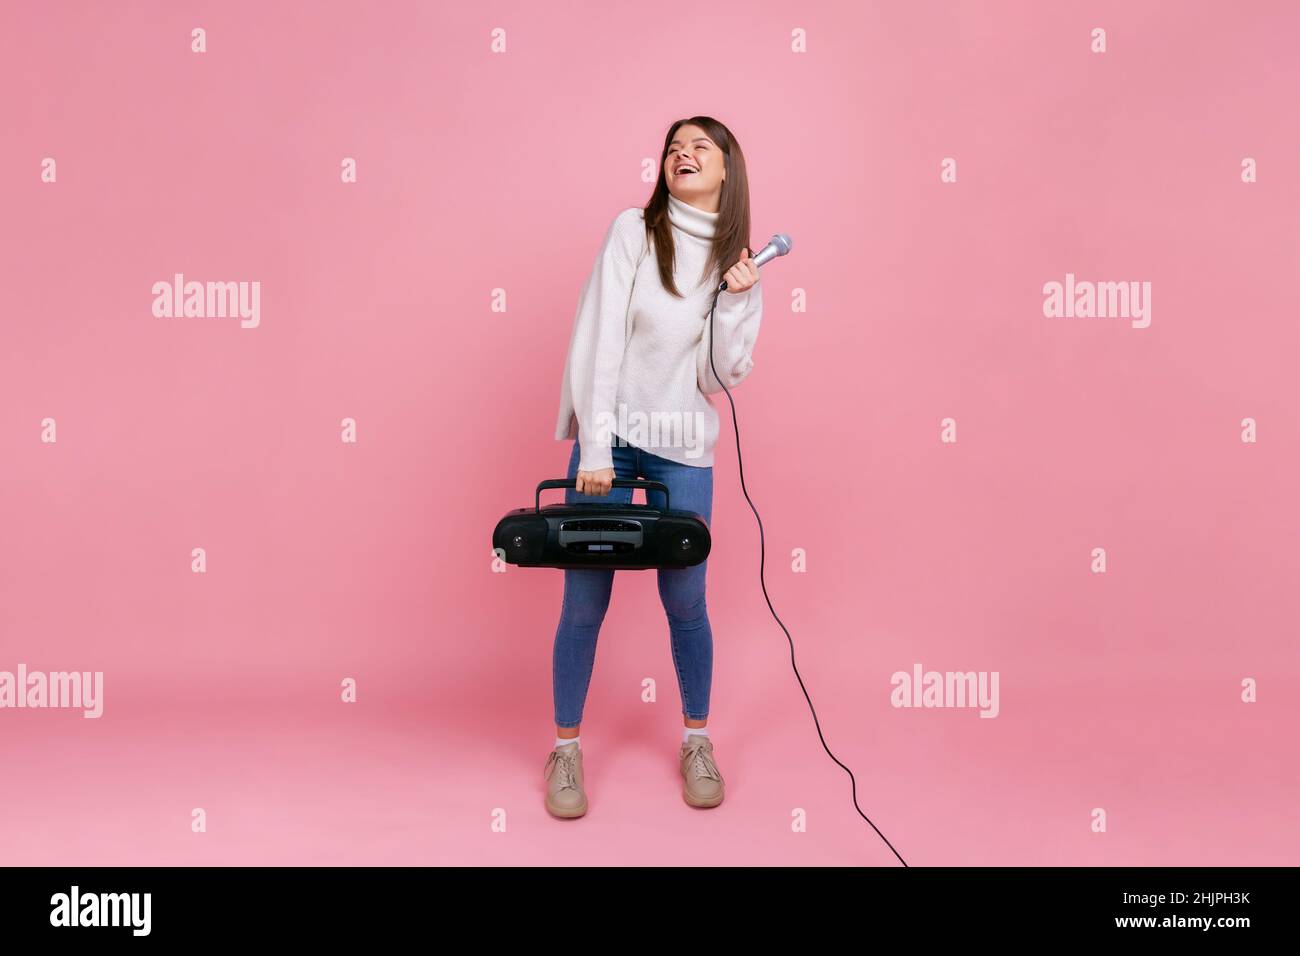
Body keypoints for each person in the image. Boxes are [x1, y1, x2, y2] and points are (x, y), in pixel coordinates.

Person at [545, 115, 764, 818]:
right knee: (585, 603)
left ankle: (697, 740)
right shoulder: (633, 233)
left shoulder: (734, 260)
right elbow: (603, 339)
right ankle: (566, 751)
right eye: (674, 147)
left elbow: (716, 376)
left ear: (728, 170)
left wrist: (736, 301)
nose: (683, 154)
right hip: (613, 445)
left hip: (682, 448)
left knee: (687, 603)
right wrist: (599, 448)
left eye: (701, 146)